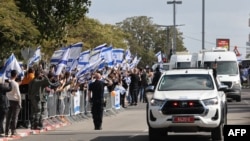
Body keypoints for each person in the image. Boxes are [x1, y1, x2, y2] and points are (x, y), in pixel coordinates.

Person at [5, 70, 22, 137]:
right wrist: (20, 102)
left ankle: (6, 131)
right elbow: (18, 94)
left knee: (8, 117)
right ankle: (13, 131)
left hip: (8, 100)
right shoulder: (15, 84)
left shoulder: (7, 83)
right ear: (15, 75)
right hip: (15, 101)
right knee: (15, 117)